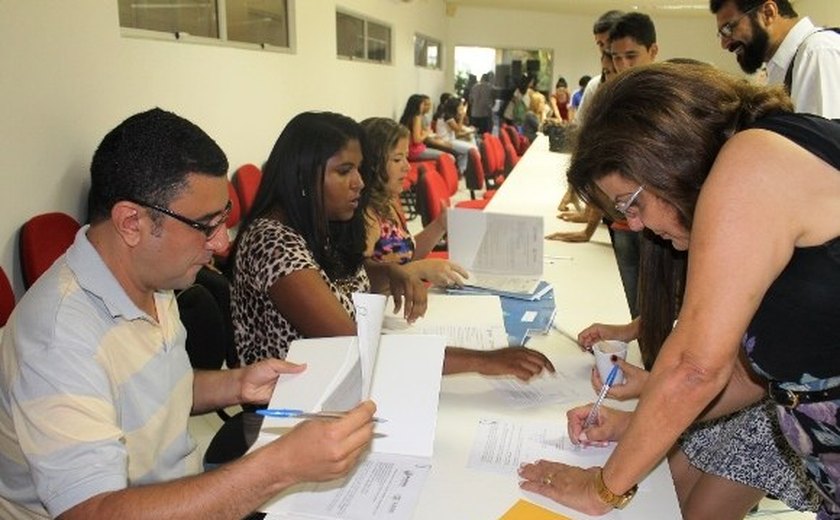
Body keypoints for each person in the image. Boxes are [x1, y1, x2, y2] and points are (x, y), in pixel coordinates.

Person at [0, 108, 376, 519]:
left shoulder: (154, 277)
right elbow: (91, 512)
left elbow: (152, 391)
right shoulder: (58, 338)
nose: (220, 244)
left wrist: (238, 384)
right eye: (205, 225)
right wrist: (278, 467)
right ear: (131, 222)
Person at [518, 63, 840, 518]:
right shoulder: (774, 160)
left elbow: (695, 368)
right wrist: (634, 426)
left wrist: (601, 489)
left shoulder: (751, 166)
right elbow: (757, 375)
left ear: (669, 157)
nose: (634, 225)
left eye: (632, 203)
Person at [231, 112, 555, 382]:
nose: (359, 181)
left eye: (359, 169)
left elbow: (338, 285)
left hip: (338, 379)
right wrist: (484, 361)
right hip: (296, 400)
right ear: (303, 177)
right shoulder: (272, 244)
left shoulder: (316, 220)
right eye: (345, 171)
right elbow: (356, 345)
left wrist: (389, 272)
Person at [360, 116, 466, 288]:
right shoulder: (367, 214)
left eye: (406, 157)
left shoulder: (389, 200)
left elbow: (407, 254)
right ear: (372, 164)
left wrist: (440, 224)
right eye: (397, 159)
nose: (407, 167)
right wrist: (418, 269)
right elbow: (362, 278)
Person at [710, 0, 840, 118]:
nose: (724, 45)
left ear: (768, 13)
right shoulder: (778, 68)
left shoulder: (817, 52)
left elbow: (826, 141)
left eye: (728, 29)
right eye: (721, 34)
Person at [398, 94, 451, 162]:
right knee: (450, 157)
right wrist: (426, 133)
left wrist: (425, 132)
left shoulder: (407, 117)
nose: (425, 107)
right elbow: (417, 140)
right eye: (423, 104)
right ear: (417, 105)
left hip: (411, 149)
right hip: (415, 151)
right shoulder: (417, 118)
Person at [434, 96, 478, 174]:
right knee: (472, 148)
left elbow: (457, 131)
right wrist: (462, 117)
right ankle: (464, 170)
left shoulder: (450, 115)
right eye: (460, 106)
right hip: (446, 141)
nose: (462, 107)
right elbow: (458, 130)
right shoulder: (447, 117)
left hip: (451, 139)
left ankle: (463, 170)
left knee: (470, 140)